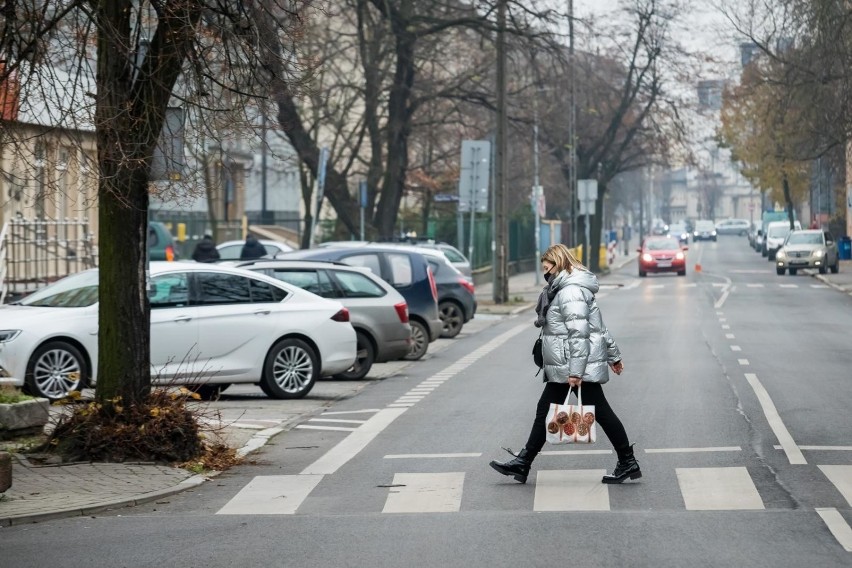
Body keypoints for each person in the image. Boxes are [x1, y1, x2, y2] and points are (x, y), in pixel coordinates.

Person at [489, 243, 641, 485]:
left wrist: (576, 372)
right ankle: (524, 462)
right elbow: (598, 327)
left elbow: (580, 333)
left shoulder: (569, 292)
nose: (545, 272)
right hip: (567, 365)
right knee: (548, 410)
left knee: (599, 411)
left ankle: (627, 460)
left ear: (557, 264)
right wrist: (614, 355)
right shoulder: (567, 288)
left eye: (547, 267)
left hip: (573, 366)